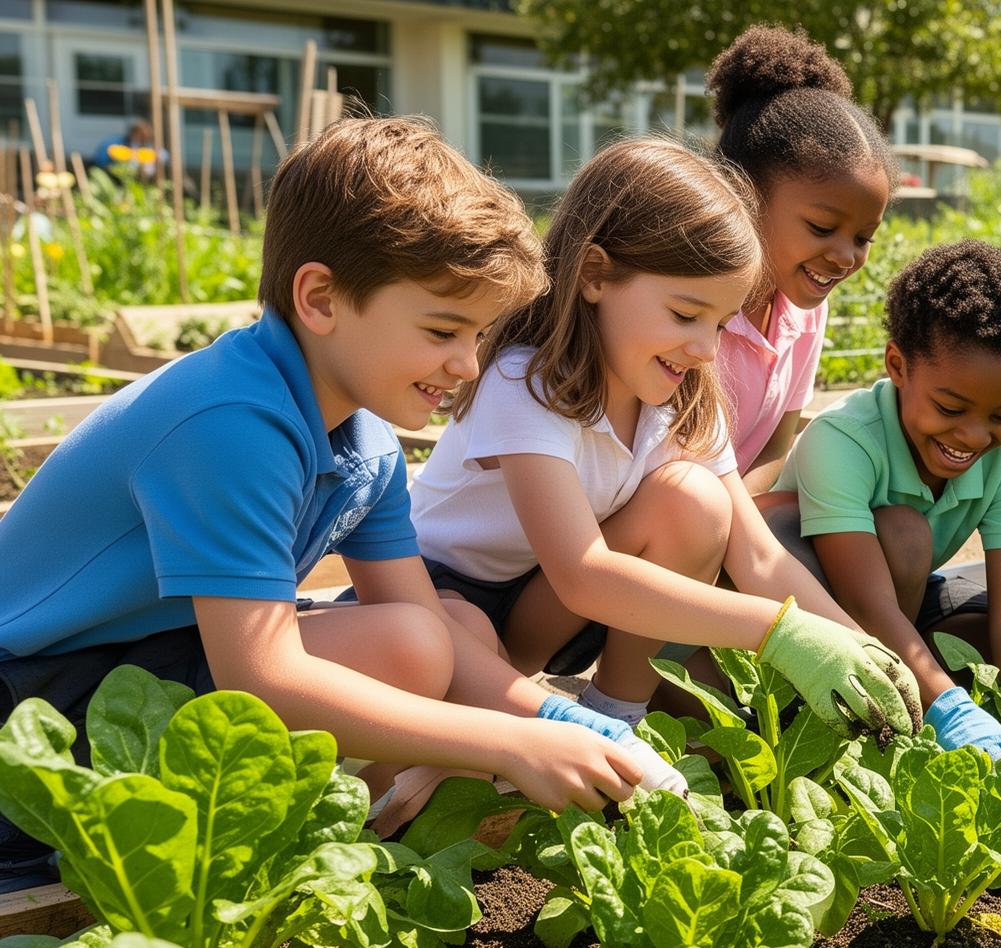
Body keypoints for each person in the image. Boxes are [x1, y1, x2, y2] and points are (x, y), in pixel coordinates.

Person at [0, 118, 680, 892]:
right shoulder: (229, 426)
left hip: (146, 667)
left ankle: (354, 845)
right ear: (320, 298)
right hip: (36, 709)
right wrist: (503, 743)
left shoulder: (363, 438)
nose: (467, 364)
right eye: (443, 329)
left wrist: (560, 721)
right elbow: (262, 678)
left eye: (479, 334)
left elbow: (433, 631)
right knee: (414, 648)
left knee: (449, 626)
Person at [406, 138, 918, 743]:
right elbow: (582, 575)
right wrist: (778, 633)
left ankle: (617, 715)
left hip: (546, 607)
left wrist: (856, 646)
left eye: (720, 324)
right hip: (446, 593)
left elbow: (757, 556)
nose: (705, 349)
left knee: (695, 501)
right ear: (595, 274)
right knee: (459, 637)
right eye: (684, 315)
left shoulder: (680, 396)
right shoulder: (526, 382)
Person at [765, 240, 1001, 820]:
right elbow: (865, 603)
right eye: (951, 408)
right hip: (801, 617)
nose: (974, 435)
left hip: (899, 608)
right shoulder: (842, 440)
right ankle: (883, 706)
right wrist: (949, 708)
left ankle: (909, 692)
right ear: (898, 366)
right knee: (906, 534)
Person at [705, 25, 892, 495]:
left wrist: (746, 517)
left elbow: (774, 447)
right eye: (822, 228)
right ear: (744, 194)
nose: (845, 257)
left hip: (733, 511)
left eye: (864, 237)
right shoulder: (690, 306)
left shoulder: (805, 312)